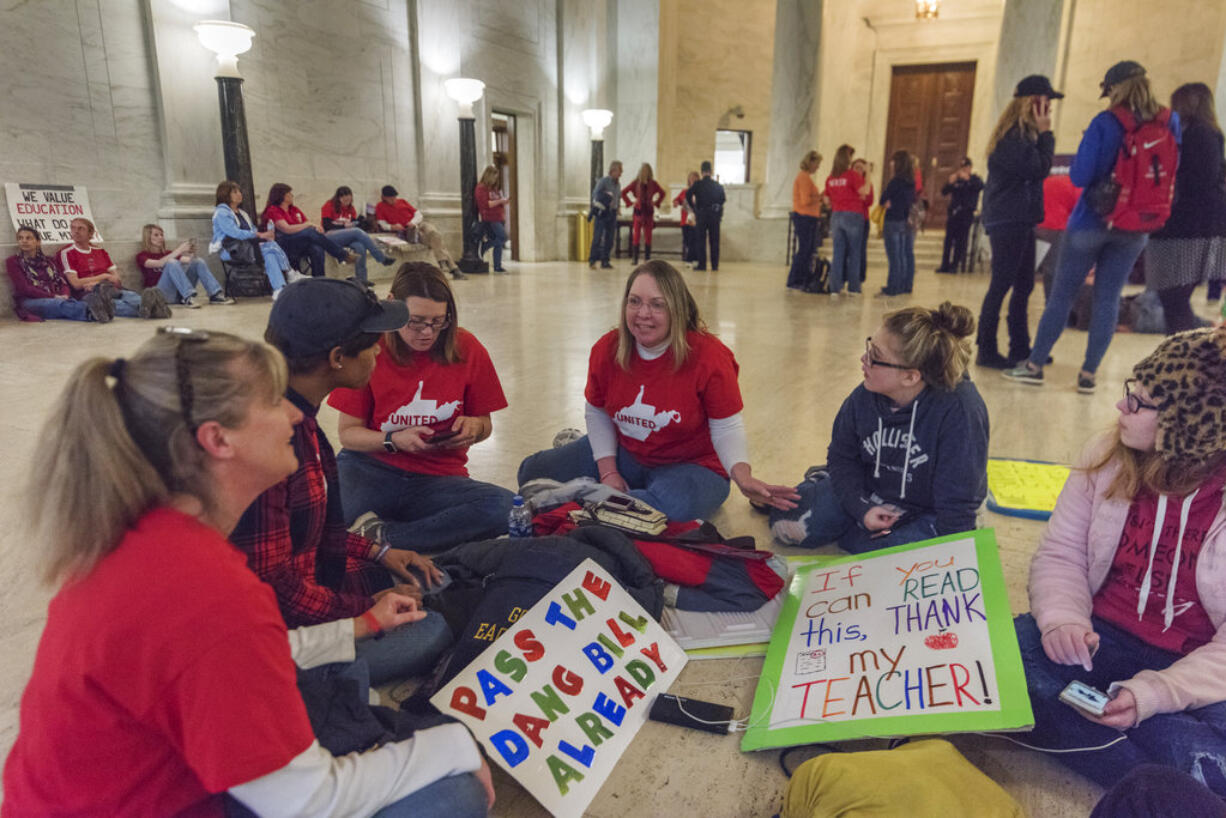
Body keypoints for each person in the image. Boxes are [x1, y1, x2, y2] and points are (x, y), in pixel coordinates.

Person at [1, 328, 493, 817]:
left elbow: (243, 653)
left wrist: (360, 627)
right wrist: (451, 746)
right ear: (218, 439)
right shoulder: (208, 588)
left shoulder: (143, 533)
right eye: (272, 402)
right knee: (450, 793)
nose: (295, 414)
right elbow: (303, 801)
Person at [1013, 327, 1226, 798]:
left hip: (1196, 665)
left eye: (1140, 401)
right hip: (1100, 639)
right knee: (1002, 658)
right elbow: (1061, 552)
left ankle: (1096, 734)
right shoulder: (1107, 457)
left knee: (1022, 696)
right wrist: (1063, 620)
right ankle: (1164, 773)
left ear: (1188, 421)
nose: (1121, 406)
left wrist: (1152, 695)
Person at [232, 278, 454, 687]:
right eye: (371, 342)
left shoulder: (292, 408)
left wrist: (379, 550)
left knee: (433, 580)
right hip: (268, 636)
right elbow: (274, 592)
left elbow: (308, 530)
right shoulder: (269, 443)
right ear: (337, 357)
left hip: (312, 580)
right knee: (431, 629)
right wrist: (363, 611)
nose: (378, 350)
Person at [517, 260, 799, 521]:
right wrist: (609, 470)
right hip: (627, 449)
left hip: (691, 467)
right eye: (634, 302)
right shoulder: (608, 349)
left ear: (677, 309)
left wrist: (742, 475)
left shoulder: (709, 357)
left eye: (657, 305)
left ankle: (585, 498)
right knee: (530, 473)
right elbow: (598, 408)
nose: (643, 314)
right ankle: (604, 485)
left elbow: (726, 426)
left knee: (663, 509)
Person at [1005, 61, 1180, 392]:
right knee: (1108, 298)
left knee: (1061, 295)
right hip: (1138, 225)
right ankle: (1088, 375)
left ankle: (1034, 365)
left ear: (1113, 89)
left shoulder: (1106, 122)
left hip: (1091, 221)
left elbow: (1080, 176)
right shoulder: (1170, 121)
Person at [769, 302, 988, 553]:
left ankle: (861, 530)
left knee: (882, 559)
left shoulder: (960, 410)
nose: (863, 359)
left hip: (931, 509)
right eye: (869, 347)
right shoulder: (866, 393)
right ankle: (825, 485)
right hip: (873, 490)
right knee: (786, 526)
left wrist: (952, 549)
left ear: (910, 376)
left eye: (876, 356)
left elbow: (958, 502)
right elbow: (842, 456)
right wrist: (861, 507)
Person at [329, 262, 513, 551]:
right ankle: (400, 535)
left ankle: (382, 539)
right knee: (325, 515)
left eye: (438, 321)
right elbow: (348, 434)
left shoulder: (467, 347)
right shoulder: (370, 347)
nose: (427, 332)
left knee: (502, 507)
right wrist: (393, 440)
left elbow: (485, 424)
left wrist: (474, 428)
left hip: (437, 478)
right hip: (371, 468)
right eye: (415, 321)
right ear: (393, 305)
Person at [975, 75, 1060, 369]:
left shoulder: (1024, 137)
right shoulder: (1013, 137)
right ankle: (985, 350)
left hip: (1020, 218)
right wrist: (1047, 135)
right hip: (1008, 219)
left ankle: (1020, 348)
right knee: (1001, 284)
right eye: (1045, 102)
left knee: (1024, 285)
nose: (1049, 108)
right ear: (1030, 104)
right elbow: (1037, 169)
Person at [1145, 83, 1226, 334]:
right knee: (1173, 301)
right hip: (1188, 229)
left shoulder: (1200, 135)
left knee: (1175, 300)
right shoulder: (1200, 134)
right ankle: (1180, 355)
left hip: (1187, 230)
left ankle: (1182, 358)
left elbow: (1198, 182)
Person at [59, 217, 171, 319]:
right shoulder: (67, 253)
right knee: (115, 305)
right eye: (73, 228)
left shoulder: (100, 251)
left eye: (81, 228)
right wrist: (104, 276)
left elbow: (116, 279)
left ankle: (153, 307)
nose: (76, 231)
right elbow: (76, 284)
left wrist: (98, 281)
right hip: (90, 294)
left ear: (91, 233)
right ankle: (155, 310)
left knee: (130, 295)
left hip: (110, 288)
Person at [6, 226, 111, 322]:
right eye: (20, 238)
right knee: (59, 304)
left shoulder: (49, 261)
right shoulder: (13, 261)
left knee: (67, 302)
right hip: (30, 301)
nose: (24, 241)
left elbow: (63, 282)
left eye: (28, 238)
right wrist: (54, 296)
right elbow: (24, 289)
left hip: (57, 297)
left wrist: (65, 294)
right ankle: (92, 313)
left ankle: (102, 309)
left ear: (38, 242)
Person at [210, 179, 294, 298]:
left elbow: (253, 230)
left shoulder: (242, 213)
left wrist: (265, 234)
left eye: (239, 191)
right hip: (232, 250)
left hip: (248, 247)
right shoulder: (221, 213)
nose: (240, 194)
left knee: (269, 250)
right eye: (235, 192)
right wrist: (259, 235)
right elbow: (235, 233)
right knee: (270, 247)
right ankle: (289, 273)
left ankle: (279, 288)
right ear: (225, 194)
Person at [261, 183, 355, 279]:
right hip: (283, 242)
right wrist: (309, 225)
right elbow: (286, 229)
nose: (292, 195)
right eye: (289, 193)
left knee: (316, 248)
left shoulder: (294, 210)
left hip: (298, 242)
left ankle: (319, 280)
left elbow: (306, 223)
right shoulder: (273, 210)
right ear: (282, 195)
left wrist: (316, 227)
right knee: (310, 231)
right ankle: (342, 255)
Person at [375, 185, 463, 280]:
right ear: (384, 197)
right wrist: (392, 227)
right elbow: (382, 223)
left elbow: (418, 214)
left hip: (418, 224)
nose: (393, 200)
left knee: (434, 233)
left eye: (394, 197)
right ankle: (452, 268)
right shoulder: (380, 206)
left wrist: (413, 222)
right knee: (435, 240)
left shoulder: (402, 201)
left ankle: (443, 262)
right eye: (390, 198)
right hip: (408, 231)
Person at [136, 224, 233, 309]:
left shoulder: (168, 253)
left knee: (198, 262)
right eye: (156, 235)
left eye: (162, 235)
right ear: (147, 237)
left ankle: (214, 295)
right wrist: (179, 250)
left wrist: (191, 253)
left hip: (178, 294)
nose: (160, 237)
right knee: (171, 262)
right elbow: (159, 263)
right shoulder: (142, 256)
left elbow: (188, 261)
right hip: (160, 296)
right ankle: (188, 296)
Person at [320, 186, 396, 284]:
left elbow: (353, 224)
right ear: (338, 198)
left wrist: (360, 222)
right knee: (356, 232)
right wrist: (345, 227)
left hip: (346, 237)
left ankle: (362, 279)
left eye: (348, 198)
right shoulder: (329, 205)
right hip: (330, 236)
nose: (346, 200)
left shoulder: (351, 209)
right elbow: (327, 226)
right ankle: (381, 257)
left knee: (360, 246)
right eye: (343, 198)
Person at [823, 145, 871, 295]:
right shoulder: (851, 175)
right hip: (853, 215)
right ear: (847, 159)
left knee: (838, 253)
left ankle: (835, 288)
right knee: (855, 253)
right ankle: (854, 288)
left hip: (837, 216)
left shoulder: (830, 178)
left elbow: (826, 200)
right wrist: (868, 173)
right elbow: (865, 191)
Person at [879, 151, 918, 296]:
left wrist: (888, 202)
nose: (891, 164)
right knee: (901, 255)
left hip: (892, 221)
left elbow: (883, 199)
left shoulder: (895, 182)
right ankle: (902, 285)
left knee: (894, 256)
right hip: (902, 220)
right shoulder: (910, 182)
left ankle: (893, 286)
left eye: (893, 161)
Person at [937, 158, 984, 273]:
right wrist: (949, 183)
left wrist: (967, 180)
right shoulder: (957, 180)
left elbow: (980, 186)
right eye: (962, 168)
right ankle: (945, 265)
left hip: (966, 214)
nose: (963, 170)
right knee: (948, 240)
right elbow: (944, 192)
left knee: (961, 241)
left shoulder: (974, 179)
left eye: (966, 167)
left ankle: (955, 265)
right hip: (954, 213)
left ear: (970, 168)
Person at [788, 151, 824, 290]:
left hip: (808, 217)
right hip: (804, 217)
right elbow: (805, 200)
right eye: (817, 164)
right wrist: (819, 198)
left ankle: (802, 278)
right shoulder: (803, 178)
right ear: (811, 162)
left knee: (807, 249)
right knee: (804, 249)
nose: (818, 167)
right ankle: (795, 279)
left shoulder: (806, 178)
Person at [621, 162, 667, 264]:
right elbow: (623, 192)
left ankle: (647, 258)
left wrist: (656, 202)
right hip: (638, 212)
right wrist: (631, 202)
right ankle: (635, 258)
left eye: (647, 170)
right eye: (643, 170)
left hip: (649, 212)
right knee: (636, 235)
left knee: (648, 236)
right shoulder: (635, 183)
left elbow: (663, 193)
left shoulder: (653, 184)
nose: (645, 172)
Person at [686, 161, 726, 271]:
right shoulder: (717, 185)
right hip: (714, 216)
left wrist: (694, 208)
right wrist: (716, 208)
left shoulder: (698, 184)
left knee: (701, 240)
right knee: (714, 241)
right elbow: (723, 199)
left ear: (701, 171)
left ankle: (702, 265)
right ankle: (714, 265)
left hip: (702, 214)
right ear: (711, 171)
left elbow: (688, 194)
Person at [474, 165, 510, 273]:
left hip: (499, 217)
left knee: (498, 243)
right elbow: (486, 204)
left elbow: (497, 201)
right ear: (489, 176)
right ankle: (485, 246)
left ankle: (497, 266)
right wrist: (500, 201)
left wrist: (503, 201)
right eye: (494, 177)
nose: (495, 179)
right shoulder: (481, 188)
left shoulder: (494, 188)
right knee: (503, 237)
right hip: (490, 218)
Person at [588, 160, 623, 269]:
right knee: (598, 236)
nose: (621, 173)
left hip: (612, 213)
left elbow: (618, 197)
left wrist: (618, 207)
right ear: (613, 171)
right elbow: (595, 194)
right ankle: (592, 260)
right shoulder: (604, 181)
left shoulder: (618, 184)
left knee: (610, 238)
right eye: (619, 170)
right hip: (602, 212)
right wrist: (606, 196)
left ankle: (605, 260)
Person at [853, 158, 875, 285]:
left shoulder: (867, 184)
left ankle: (860, 275)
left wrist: (861, 197)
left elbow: (869, 200)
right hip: (851, 218)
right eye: (856, 167)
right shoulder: (849, 182)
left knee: (861, 249)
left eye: (861, 168)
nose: (859, 170)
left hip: (863, 219)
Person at [674, 170, 700, 263]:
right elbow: (676, 200)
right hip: (685, 220)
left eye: (695, 179)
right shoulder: (684, 191)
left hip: (696, 220)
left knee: (695, 240)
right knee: (687, 240)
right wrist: (676, 203)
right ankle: (689, 259)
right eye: (691, 179)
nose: (693, 181)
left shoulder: (700, 192)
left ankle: (693, 259)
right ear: (689, 181)